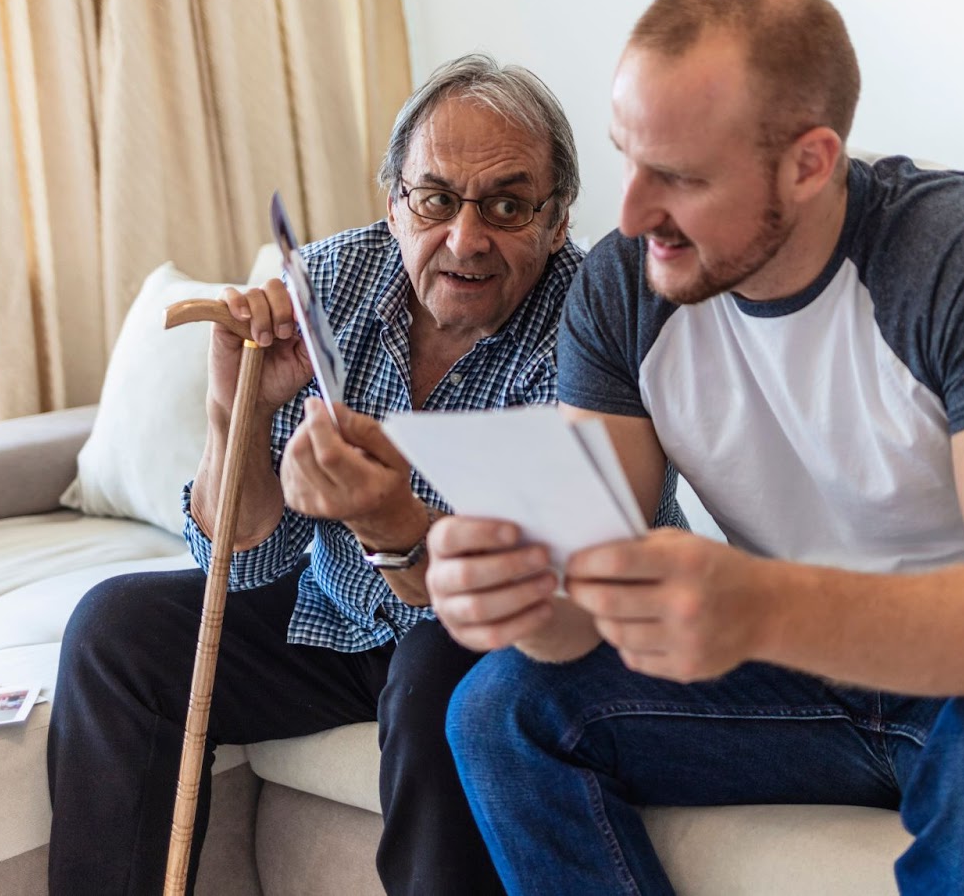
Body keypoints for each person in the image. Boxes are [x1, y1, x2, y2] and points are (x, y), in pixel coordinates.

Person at [426, 0, 964, 895]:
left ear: (811, 163)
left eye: (682, 176)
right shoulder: (626, 284)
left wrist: (764, 606)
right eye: (629, 158)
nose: (630, 214)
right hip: (801, 676)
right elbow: (582, 602)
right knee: (499, 705)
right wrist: (518, 600)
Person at [46, 53, 657, 895]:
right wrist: (242, 411)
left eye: (508, 206)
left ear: (556, 223)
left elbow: (546, 585)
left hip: (519, 626)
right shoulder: (327, 282)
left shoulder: (592, 317)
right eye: (436, 200)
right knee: (117, 629)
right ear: (393, 202)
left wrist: (392, 519)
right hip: (345, 620)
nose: (465, 238)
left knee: (440, 671)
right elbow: (248, 561)